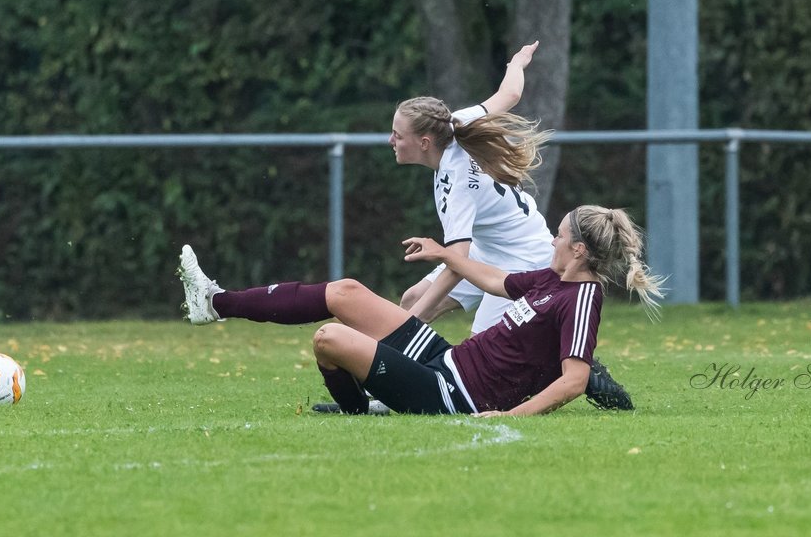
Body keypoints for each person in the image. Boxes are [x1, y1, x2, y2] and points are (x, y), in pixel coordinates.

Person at [315, 42, 635, 411]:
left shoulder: (455, 182)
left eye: (397, 134)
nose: (390, 141)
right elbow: (510, 93)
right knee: (412, 301)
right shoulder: (455, 123)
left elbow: (456, 263)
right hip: (491, 249)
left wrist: (401, 334)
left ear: (423, 142)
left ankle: (570, 371)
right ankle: (393, 386)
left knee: (486, 352)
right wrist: (517, 62)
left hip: (523, 258)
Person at [175, 205, 664, 416]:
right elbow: (494, 280)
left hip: (451, 395)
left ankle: (360, 411)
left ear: (578, 250)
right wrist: (446, 253)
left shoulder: (583, 298)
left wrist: (511, 416)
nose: (552, 239)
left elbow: (575, 379)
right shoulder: (552, 278)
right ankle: (215, 302)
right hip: (445, 361)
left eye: (559, 235)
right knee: (346, 292)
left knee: (329, 339)